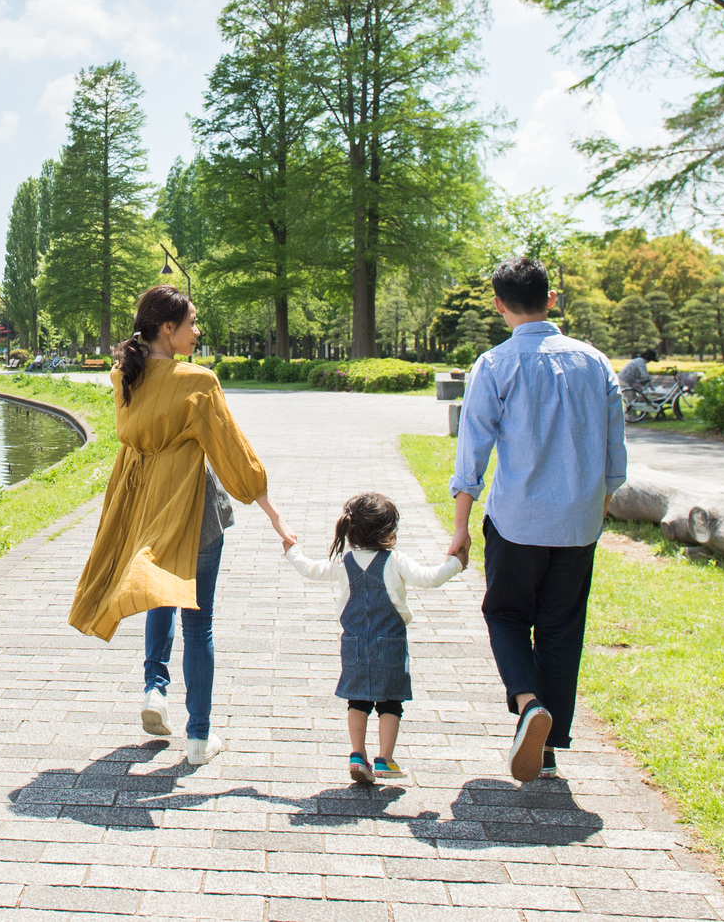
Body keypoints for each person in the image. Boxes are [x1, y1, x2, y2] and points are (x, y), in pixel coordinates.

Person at [68, 285, 296, 765]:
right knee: (199, 623)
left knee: (157, 589)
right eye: (191, 323)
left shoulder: (124, 376)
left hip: (146, 505)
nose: (197, 331)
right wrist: (275, 516)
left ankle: (155, 688)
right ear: (167, 329)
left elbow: (131, 440)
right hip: (194, 509)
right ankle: (198, 738)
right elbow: (234, 453)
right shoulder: (197, 381)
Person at [446, 256, 626, 784]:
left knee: (504, 615)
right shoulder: (596, 364)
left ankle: (528, 706)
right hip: (578, 524)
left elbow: (470, 455)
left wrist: (460, 528)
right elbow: (615, 460)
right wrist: (595, 513)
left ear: (499, 304)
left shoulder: (495, 365)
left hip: (517, 520)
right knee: (561, 628)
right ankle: (548, 747)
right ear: (552, 299)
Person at [283, 493, 465, 785]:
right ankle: (385, 760)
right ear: (388, 532)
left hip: (353, 645)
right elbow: (430, 578)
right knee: (391, 704)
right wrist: (456, 562)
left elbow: (310, 569)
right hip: (390, 645)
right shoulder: (395, 561)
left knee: (358, 700)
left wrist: (292, 550)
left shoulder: (345, 561)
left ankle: (357, 755)